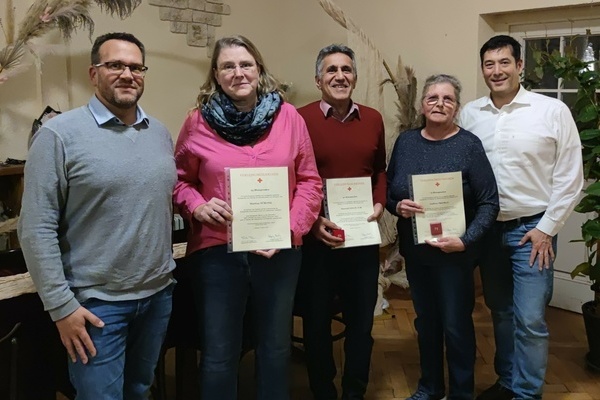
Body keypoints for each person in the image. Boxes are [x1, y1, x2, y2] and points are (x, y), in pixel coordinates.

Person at [18, 32, 176, 399]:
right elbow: (35, 228)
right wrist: (61, 307)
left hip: (157, 296)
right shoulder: (58, 135)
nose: (127, 74)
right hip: (96, 306)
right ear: (93, 73)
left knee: (139, 390)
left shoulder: (160, 133)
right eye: (115, 65)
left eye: (136, 67)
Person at [172, 35, 322, 400]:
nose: (238, 72)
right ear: (216, 74)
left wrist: (287, 229)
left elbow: (309, 181)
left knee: (275, 349)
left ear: (259, 70)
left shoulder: (289, 117)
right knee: (220, 354)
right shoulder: (196, 122)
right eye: (228, 66)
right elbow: (178, 182)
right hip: (217, 254)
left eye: (246, 64)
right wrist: (196, 205)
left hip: (280, 253)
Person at [459, 35, 584, 400]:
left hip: (533, 230)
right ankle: (509, 381)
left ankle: (528, 394)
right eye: (489, 64)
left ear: (520, 66)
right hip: (487, 229)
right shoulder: (470, 113)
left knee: (529, 318)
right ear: (483, 69)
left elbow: (570, 177)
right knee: (500, 311)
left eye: (504, 62)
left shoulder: (552, 112)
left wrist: (547, 229)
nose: (496, 71)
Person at [386, 74, 499, 400]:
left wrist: (466, 240)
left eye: (448, 99)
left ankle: (462, 393)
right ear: (423, 104)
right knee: (427, 322)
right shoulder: (406, 142)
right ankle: (430, 388)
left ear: (457, 108)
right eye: (433, 98)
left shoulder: (468, 145)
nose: (440, 104)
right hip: (417, 252)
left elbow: (490, 202)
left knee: (456, 326)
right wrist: (398, 206)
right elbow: (391, 190)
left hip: (455, 255)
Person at [296, 44, 386, 400]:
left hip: (362, 239)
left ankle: (354, 391)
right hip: (317, 241)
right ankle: (323, 390)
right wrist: (313, 220)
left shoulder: (373, 119)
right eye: (331, 70)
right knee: (316, 324)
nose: (340, 76)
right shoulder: (298, 118)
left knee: (361, 326)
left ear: (355, 77)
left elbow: (380, 171)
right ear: (318, 79)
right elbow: (291, 177)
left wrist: (380, 203)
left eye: (346, 70)